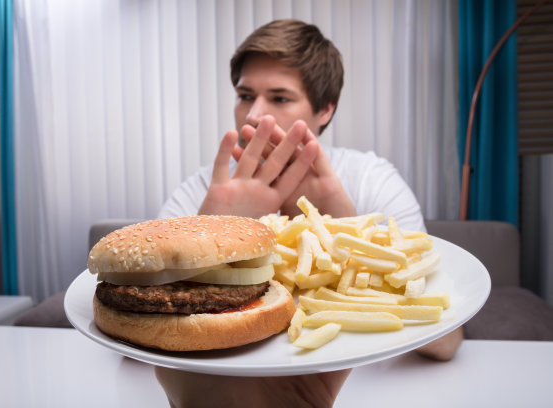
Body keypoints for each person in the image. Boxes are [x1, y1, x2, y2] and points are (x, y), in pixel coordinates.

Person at [155, 19, 463, 408]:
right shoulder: (204, 191)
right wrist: (211, 235)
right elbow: (133, 344)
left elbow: (447, 342)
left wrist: (348, 235)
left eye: (279, 98)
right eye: (245, 95)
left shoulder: (371, 180)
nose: (254, 116)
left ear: (325, 109)